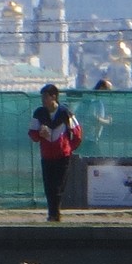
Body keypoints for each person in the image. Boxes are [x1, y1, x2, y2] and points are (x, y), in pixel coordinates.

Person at [27, 84, 82, 223]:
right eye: (42, 97)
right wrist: (40, 134)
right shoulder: (39, 114)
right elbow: (32, 133)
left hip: (62, 156)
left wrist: (68, 149)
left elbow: (77, 134)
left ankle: (54, 214)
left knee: (58, 186)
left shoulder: (65, 113)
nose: (43, 100)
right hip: (46, 156)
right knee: (49, 186)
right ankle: (53, 214)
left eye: (46, 97)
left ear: (54, 97)